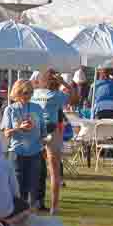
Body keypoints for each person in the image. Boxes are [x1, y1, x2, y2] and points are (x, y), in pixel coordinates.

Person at [1, 79, 44, 210]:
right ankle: (18, 216)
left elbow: (43, 131)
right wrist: (19, 128)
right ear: (17, 92)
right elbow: (6, 133)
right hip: (17, 152)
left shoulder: (37, 108)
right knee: (18, 188)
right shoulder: (10, 110)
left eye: (31, 92)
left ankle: (31, 217)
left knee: (33, 187)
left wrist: (44, 139)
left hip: (35, 152)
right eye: (25, 92)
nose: (28, 95)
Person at [32, 70, 71, 215]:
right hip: (51, 131)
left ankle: (34, 203)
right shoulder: (57, 95)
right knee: (54, 172)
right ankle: (54, 206)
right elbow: (74, 97)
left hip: (35, 131)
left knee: (34, 168)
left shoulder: (35, 94)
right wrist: (64, 83)